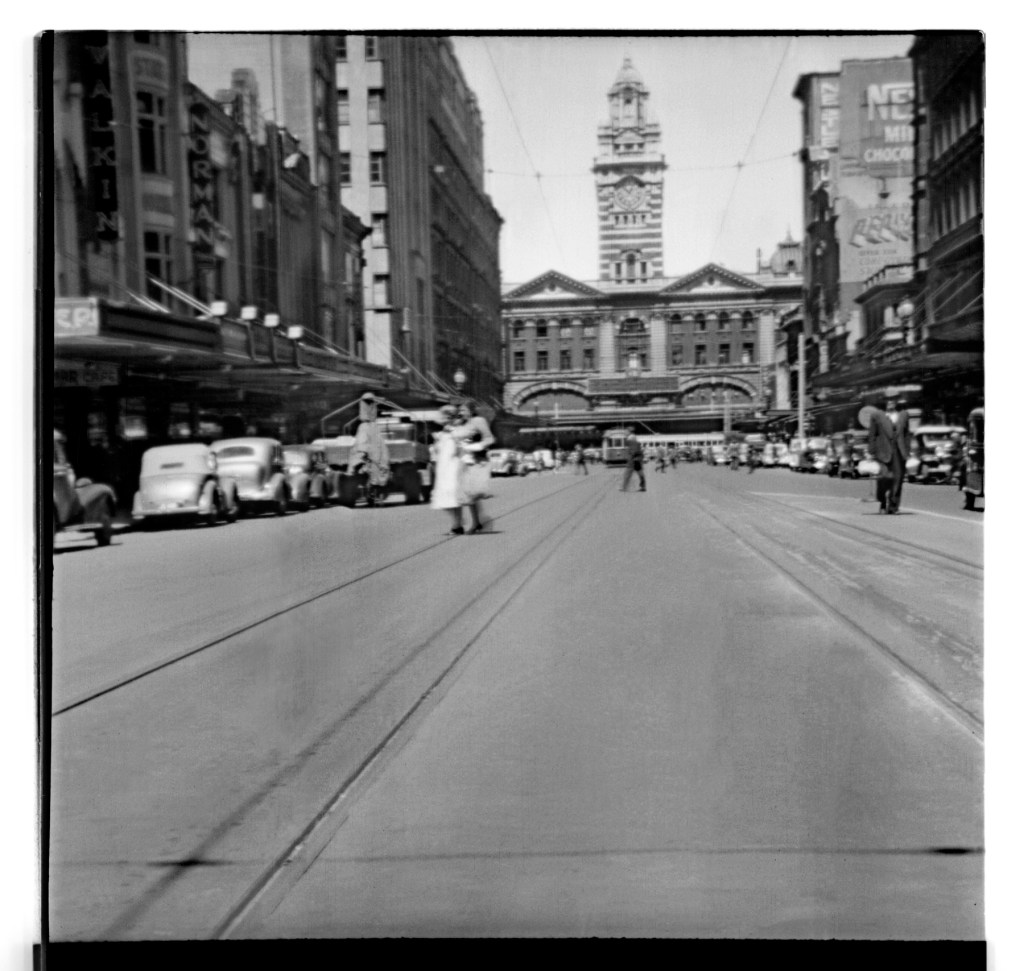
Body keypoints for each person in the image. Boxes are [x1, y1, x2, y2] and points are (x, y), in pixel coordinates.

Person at [861, 396, 912, 514]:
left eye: (893, 400)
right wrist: (871, 452)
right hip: (882, 453)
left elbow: (907, 435)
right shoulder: (877, 415)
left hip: (899, 453)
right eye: (888, 400)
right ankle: (883, 501)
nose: (890, 403)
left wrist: (907, 451)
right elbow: (872, 435)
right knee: (883, 478)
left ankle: (893, 506)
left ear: (896, 402)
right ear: (884, 402)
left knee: (898, 479)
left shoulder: (903, 415)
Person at [451, 399, 495, 533]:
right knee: (465, 495)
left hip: (476, 460)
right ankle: (475, 523)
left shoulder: (478, 421)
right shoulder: (461, 423)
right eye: (459, 410)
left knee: (470, 493)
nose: (460, 412)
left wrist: (474, 446)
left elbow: (489, 439)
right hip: (461, 461)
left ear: (471, 410)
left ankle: (474, 523)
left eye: (463, 410)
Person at [430, 405, 467, 534]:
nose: (445, 420)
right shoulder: (441, 434)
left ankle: (457, 525)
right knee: (445, 498)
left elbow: (460, 449)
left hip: (452, 467)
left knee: (452, 495)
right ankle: (457, 522)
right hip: (443, 467)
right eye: (444, 418)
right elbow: (436, 451)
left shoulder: (456, 432)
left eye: (448, 417)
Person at [348, 393, 390, 502]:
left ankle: (374, 492)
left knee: (377, 473)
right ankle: (371, 493)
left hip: (374, 455)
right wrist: (362, 454)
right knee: (371, 474)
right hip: (369, 457)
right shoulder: (364, 426)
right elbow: (362, 442)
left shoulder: (374, 426)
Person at [621, 426, 646, 492]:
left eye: (626, 431)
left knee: (627, 474)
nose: (625, 433)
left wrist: (632, 457)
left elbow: (633, 450)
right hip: (637, 459)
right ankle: (643, 487)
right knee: (640, 474)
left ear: (629, 431)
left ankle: (624, 488)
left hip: (633, 460)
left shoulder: (630, 438)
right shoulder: (633, 438)